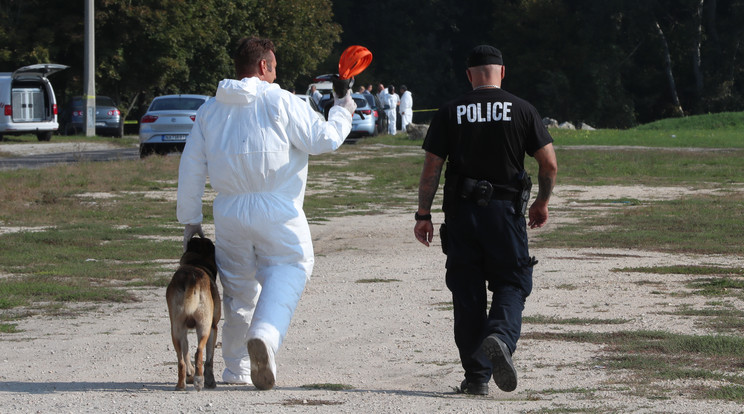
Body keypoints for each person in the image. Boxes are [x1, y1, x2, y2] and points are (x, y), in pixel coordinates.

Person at [177, 36, 357, 391]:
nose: (276, 74)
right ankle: (265, 336)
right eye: (274, 66)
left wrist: (191, 220)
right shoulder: (281, 100)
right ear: (263, 66)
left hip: (229, 210)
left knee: (239, 289)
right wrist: (342, 106)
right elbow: (323, 139)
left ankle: (236, 369)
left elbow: (191, 167)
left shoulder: (210, 110)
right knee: (292, 265)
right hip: (278, 207)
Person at [413, 45, 557, 395]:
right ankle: (501, 338)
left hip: (462, 215)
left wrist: (423, 214)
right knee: (512, 282)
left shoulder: (450, 111)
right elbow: (548, 163)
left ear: (469, 75)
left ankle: (476, 378)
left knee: (467, 294)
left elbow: (432, 168)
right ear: (502, 72)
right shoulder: (523, 109)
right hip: (505, 215)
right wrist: (541, 201)